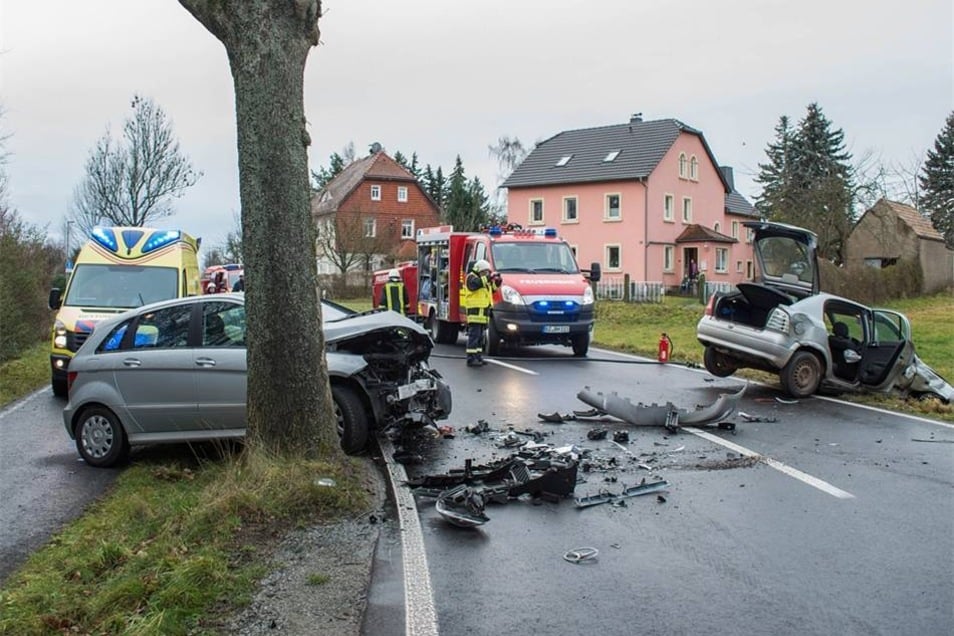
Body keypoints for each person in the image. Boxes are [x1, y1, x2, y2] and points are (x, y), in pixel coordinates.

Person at [462, 259, 501, 367]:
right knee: (474, 336)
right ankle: (471, 358)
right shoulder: (471, 278)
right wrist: (489, 277)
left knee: (480, 337)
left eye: (487, 272)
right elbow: (477, 284)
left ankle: (478, 357)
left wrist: (497, 282)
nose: (486, 274)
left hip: (483, 313)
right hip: (475, 312)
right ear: (478, 270)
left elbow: (492, 290)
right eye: (484, 272)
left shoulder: (483, 279)